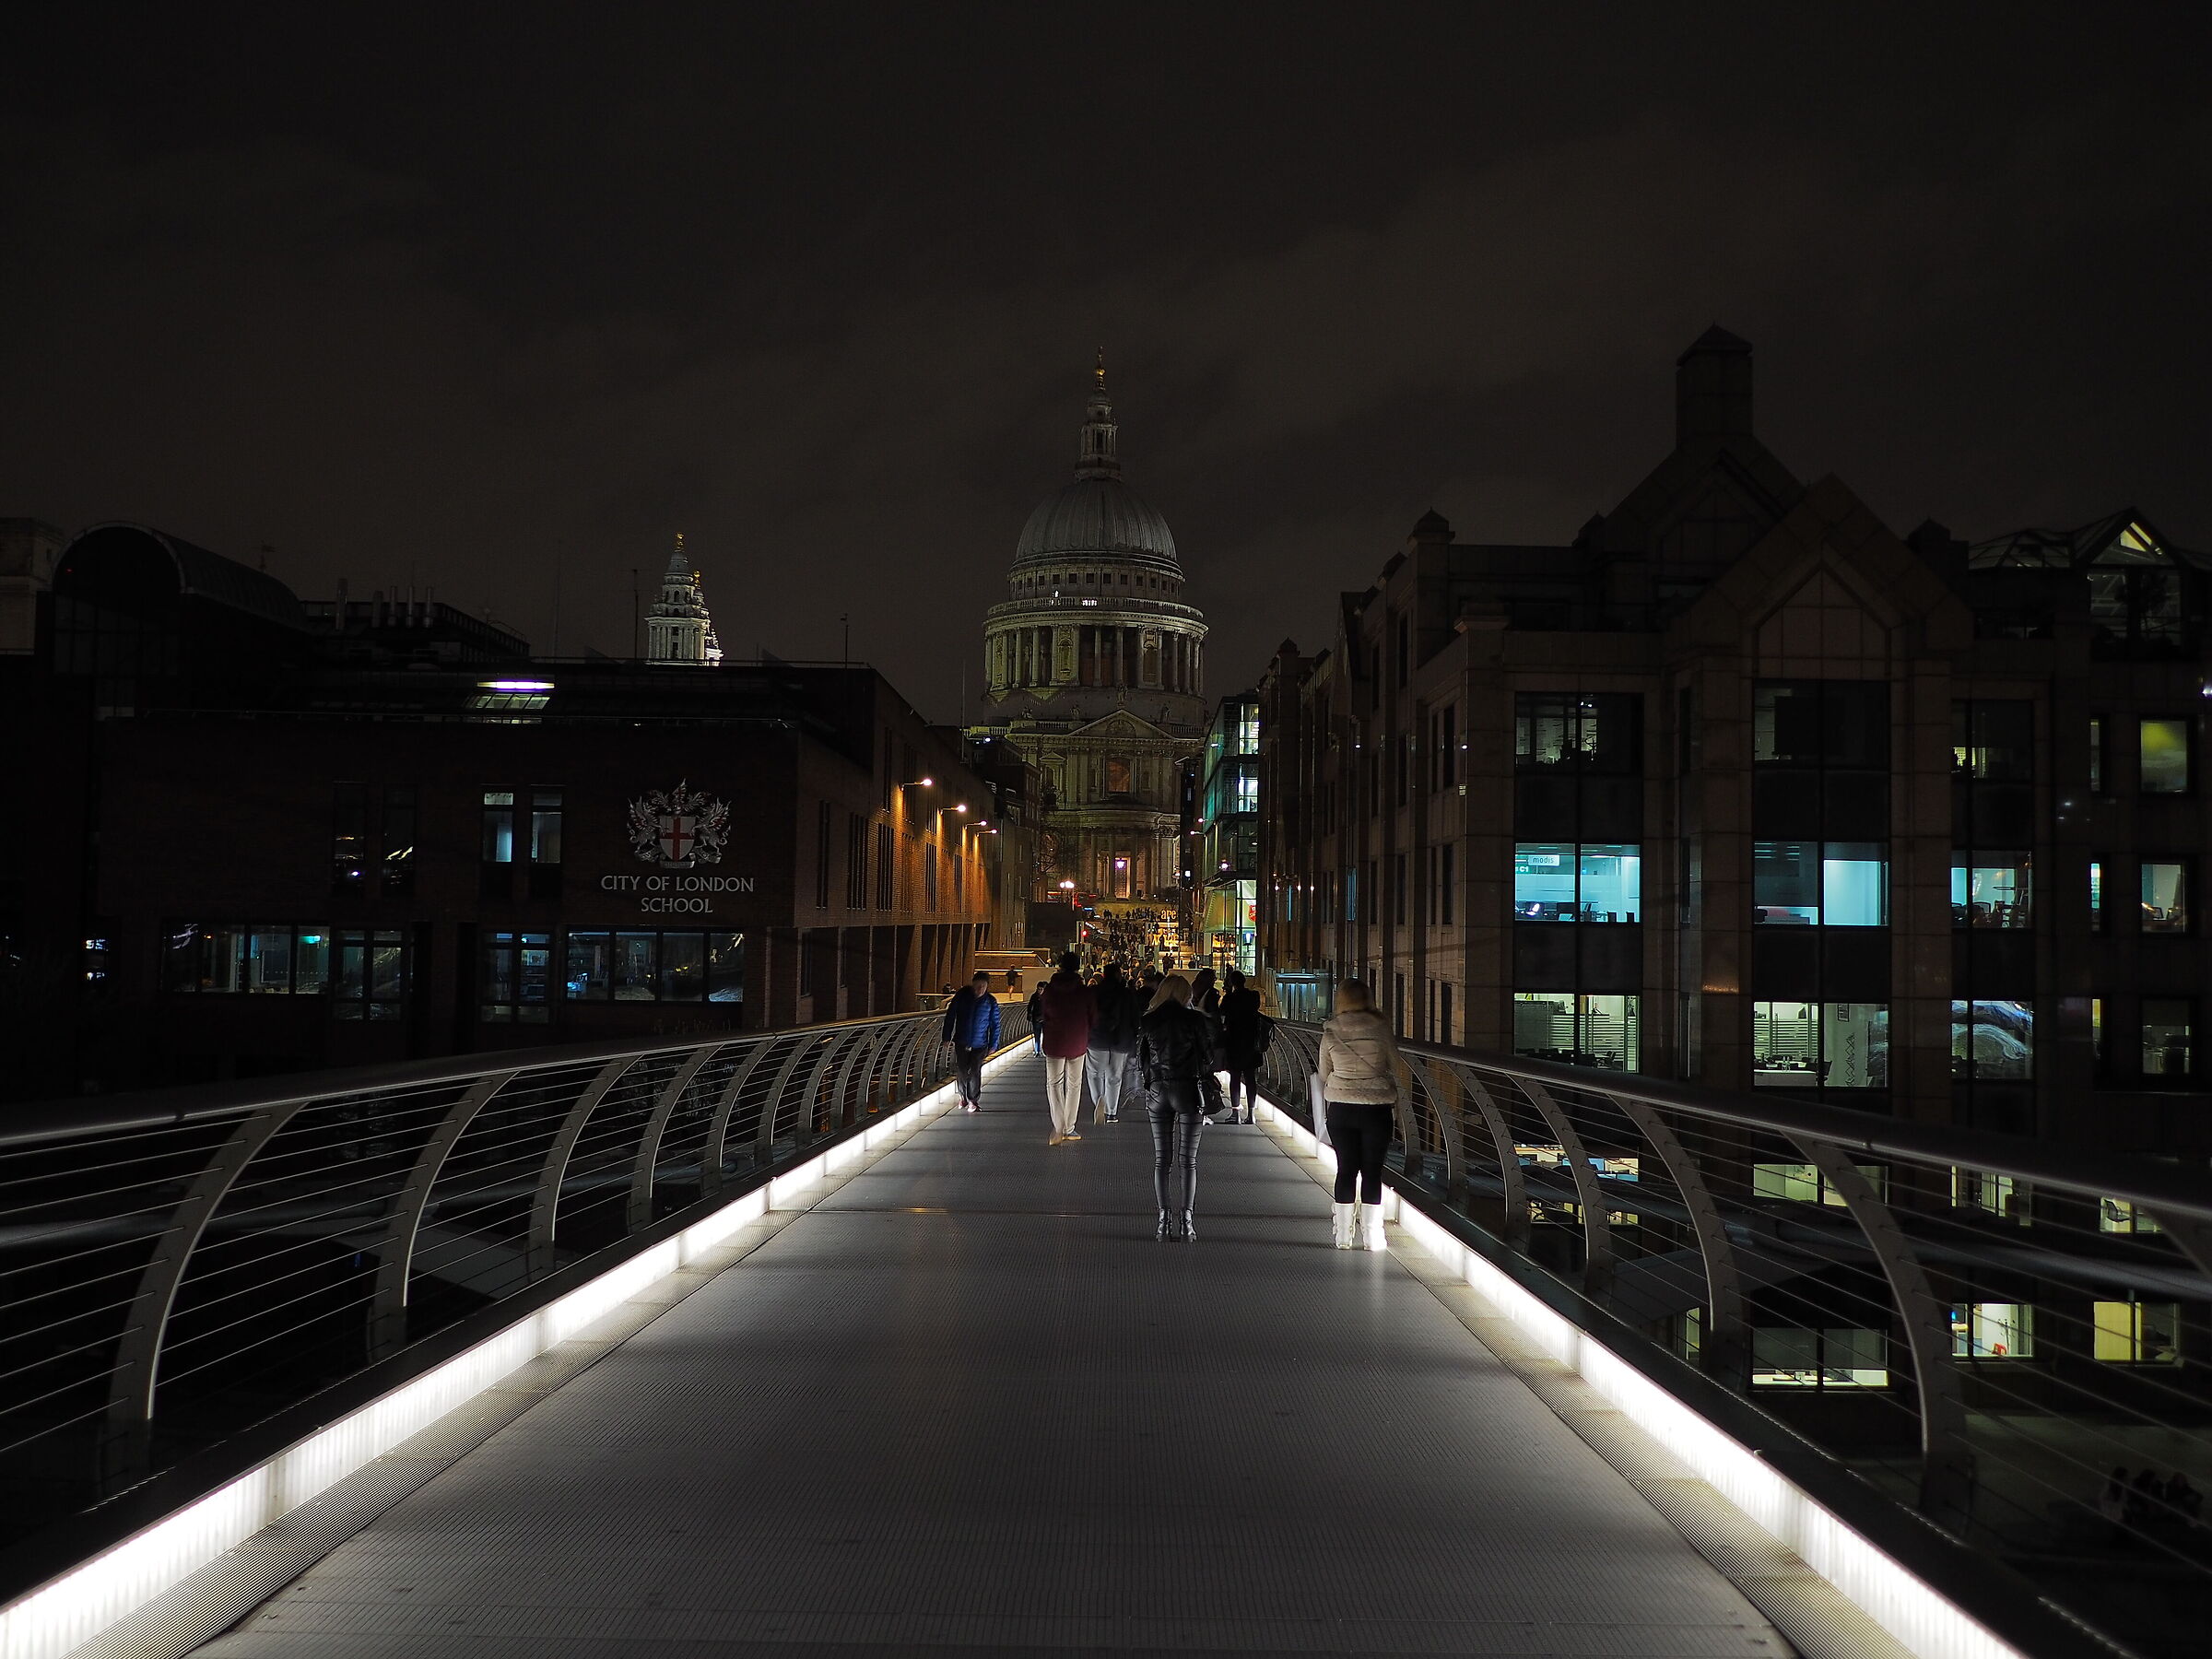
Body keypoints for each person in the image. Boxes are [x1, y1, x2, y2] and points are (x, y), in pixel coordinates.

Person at [1316, 978, 1406, 1251]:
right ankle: (1372, 1237)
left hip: (1341, 1109)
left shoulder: (1331, 1032)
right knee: (1372, 1172)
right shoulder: (1381, 1029)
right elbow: (1396, 1066)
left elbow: (1324, 1072)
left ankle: (1343, 1236)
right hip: (1376, 1109)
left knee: (1345, 1170)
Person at [1138, 973, 1222, 1240]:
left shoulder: (1148, 1020)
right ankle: (1187, 1222)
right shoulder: (1195, 1019)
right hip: (1189, 1091)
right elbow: (1209, 1057)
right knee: (1188, 1160)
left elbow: (1143, 1061)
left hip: (1158, 1091)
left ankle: (1163, 1221)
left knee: (1162, 1161)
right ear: (1186, 994)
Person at [1036, 952, 1094, 1146]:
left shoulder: (1050, 990)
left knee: (1053, 1083)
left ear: (1059, 966)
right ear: (1078, 967)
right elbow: (1093, 1016)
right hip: (1078, 1041)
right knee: (1074, 1084)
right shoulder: (1084, 991)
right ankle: (1070, 1127)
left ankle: (1058, 1125)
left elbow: (1043, 1013)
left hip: (1054, 1041)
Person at [938, 971, 1002, 1113]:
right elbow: (950, 1016)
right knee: (961, 1070)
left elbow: (995, 1024)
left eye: (983, 986)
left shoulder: (991, 1001)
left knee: (974, 1071)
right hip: (962, 1040)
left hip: (980, 1043)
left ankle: (973, 1100)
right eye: (978, 985)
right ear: (973, 984)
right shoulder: (961, 996)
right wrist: (946, 1037)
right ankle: (963, 1097)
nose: (980, 989)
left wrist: (993, 1044)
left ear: (987, 987)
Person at [1087, 963, 1139, 1124]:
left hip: (1097, 1039)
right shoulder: (1127, 994)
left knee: (1095, 1073)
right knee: (1115, 1076)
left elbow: (1087, 1014)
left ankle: (1099, 1103)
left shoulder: (1094, 992)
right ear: (1118, 974)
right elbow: (1135, 1018)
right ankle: (1111, 1112)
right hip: (1121, 1040)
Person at [1218, 969, 1267, 1124]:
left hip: (1234, 1041)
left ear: (1232, 983)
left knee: (1235, 1077)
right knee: (1251, 1078)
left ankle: (1235, 1113)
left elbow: (1221, 1014)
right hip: (1251, 1042)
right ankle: (1251, 1114)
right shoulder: (1254, 996)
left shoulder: (1229, 998)